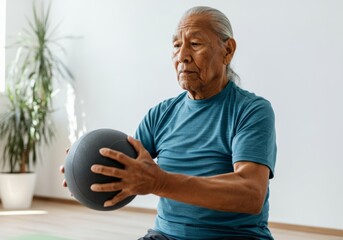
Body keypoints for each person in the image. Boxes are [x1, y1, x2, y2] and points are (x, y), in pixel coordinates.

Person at [62, 6, 277, 240]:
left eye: (195, 44)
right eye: (176, 46)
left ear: (228, 50)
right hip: (163, 236)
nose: (182, 55)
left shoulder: (251, 111)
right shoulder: (161, 114)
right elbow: (132, 172)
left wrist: (161, 182)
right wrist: (86, 173)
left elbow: (250, 193)